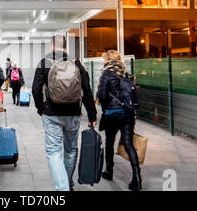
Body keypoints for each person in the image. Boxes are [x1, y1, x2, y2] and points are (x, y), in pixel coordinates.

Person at [32, 35, 97, 191]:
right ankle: (67, 183)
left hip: (52, 113)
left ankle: (63, 188)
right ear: (66, 47)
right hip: (73, 112)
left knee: (54, 152)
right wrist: (92, 115)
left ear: (51, 46)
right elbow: (87, 90)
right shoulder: (76, 62)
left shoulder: (44, 62)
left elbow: (35, 90)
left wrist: (41, 109)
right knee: (71, 149)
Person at [97, 50, 142, 191]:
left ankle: (109, 172)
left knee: (109, 143)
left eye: (104, 59)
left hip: (112, 114)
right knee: (129, 144)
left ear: (108, 60)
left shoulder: (106, 74)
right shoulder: (126, 74)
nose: (103, 62)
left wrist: (105, 106)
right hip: (128, 115)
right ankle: (137, 177)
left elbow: (102, 96)